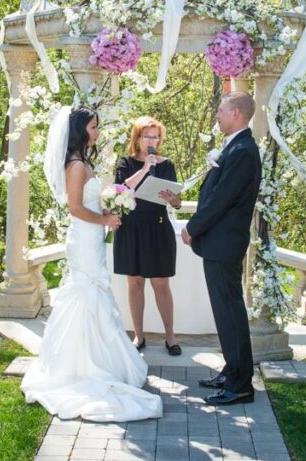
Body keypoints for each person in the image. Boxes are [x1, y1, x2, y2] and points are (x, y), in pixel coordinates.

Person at [22, 106, 162, 421]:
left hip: (93, 236)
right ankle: (81, 363)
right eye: (93, 127)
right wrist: (104, 218)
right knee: (87, 292)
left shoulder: (84, 161)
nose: (97, 132)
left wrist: (116, 200)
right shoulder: (74, 164)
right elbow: (74, 207)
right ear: (80, 130)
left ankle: (100, 357)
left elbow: (106, 194)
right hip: (84, 237)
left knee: (95, 292)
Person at [175, 92, 261, 405]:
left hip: (224, 243)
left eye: (221, 110)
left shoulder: (242, 150)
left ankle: (241, 385)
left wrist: (193, 227)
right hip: (219, 243)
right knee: (224, 312)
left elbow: (222, 199)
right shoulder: (236, 146)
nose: (217, 116)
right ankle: (232, 370)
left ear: (236, 113)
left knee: (230, 312)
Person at [114, 116, 182, 355]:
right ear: (137, 138)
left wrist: (174, 199)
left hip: (158, 226)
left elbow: (176, 200)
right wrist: (144, 169)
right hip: (131, 227)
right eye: (147, 136)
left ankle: (170, 337)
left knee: (161, 283)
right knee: (134, 283)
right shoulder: (125, 162)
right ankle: (139, 336)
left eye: (155, 136)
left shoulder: (167, 164)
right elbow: (120, 190)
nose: (152, 141)